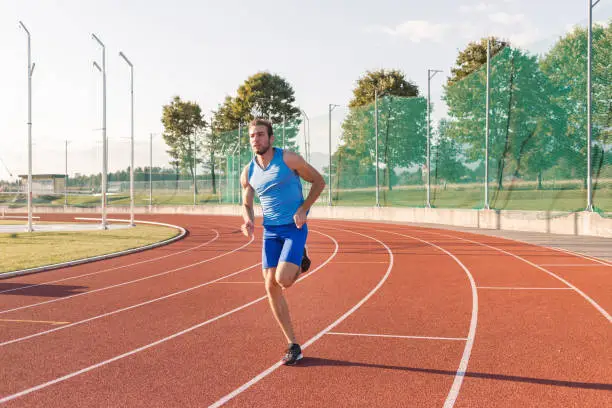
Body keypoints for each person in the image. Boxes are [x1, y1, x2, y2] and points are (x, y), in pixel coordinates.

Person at [240, 118, 326, 365]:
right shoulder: (249, 171)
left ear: (271, 138)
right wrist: (248, 220)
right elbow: (246, 202)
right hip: (270, 232)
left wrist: (303, 208)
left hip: (294, 227)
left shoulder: (289, 159)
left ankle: (300, 256)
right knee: (270, 287)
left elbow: (319, 181)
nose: (256, 139)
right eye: (252, 136)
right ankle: (293, 344)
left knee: (283, 280)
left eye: (260, 134)